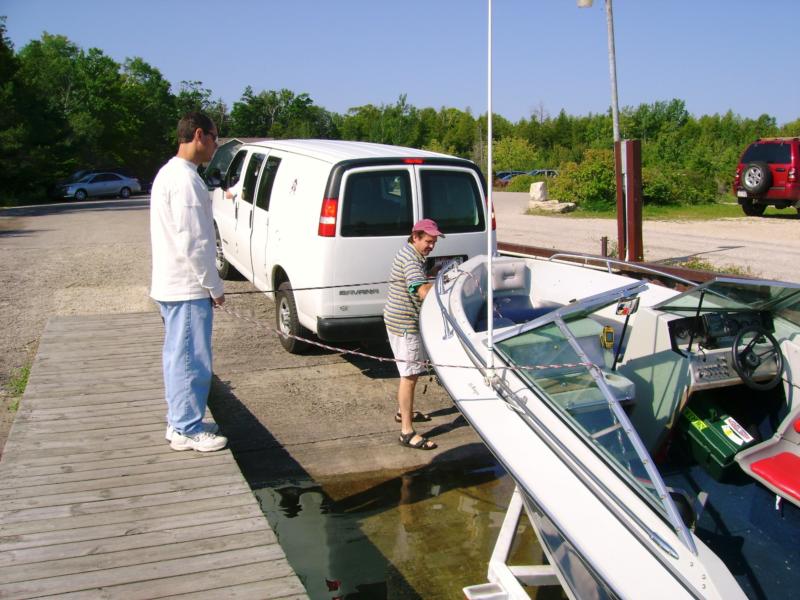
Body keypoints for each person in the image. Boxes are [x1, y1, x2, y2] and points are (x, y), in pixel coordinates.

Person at [150, 112, 228, 452]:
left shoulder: (172, 174)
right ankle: (187, 428)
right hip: (187, 287)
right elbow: (195, 242)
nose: (216, 145)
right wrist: (215, 286)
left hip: (175, 285)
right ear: (199, 135)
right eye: (214, 137)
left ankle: (180, 419)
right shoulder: (185, 181)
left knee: (178, 356)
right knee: (191, 360)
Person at [384, 218, 445, 450]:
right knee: (409, 376)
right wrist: (441, 286)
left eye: (434, 242)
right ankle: (407, 432)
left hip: (396, 318)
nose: (432, 245)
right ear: (416, 236)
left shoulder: (409, 253)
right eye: (428, 241)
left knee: (412, 371)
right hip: (405, 325)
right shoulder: (411, 260)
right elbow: (420, 290)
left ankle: (403, 411)